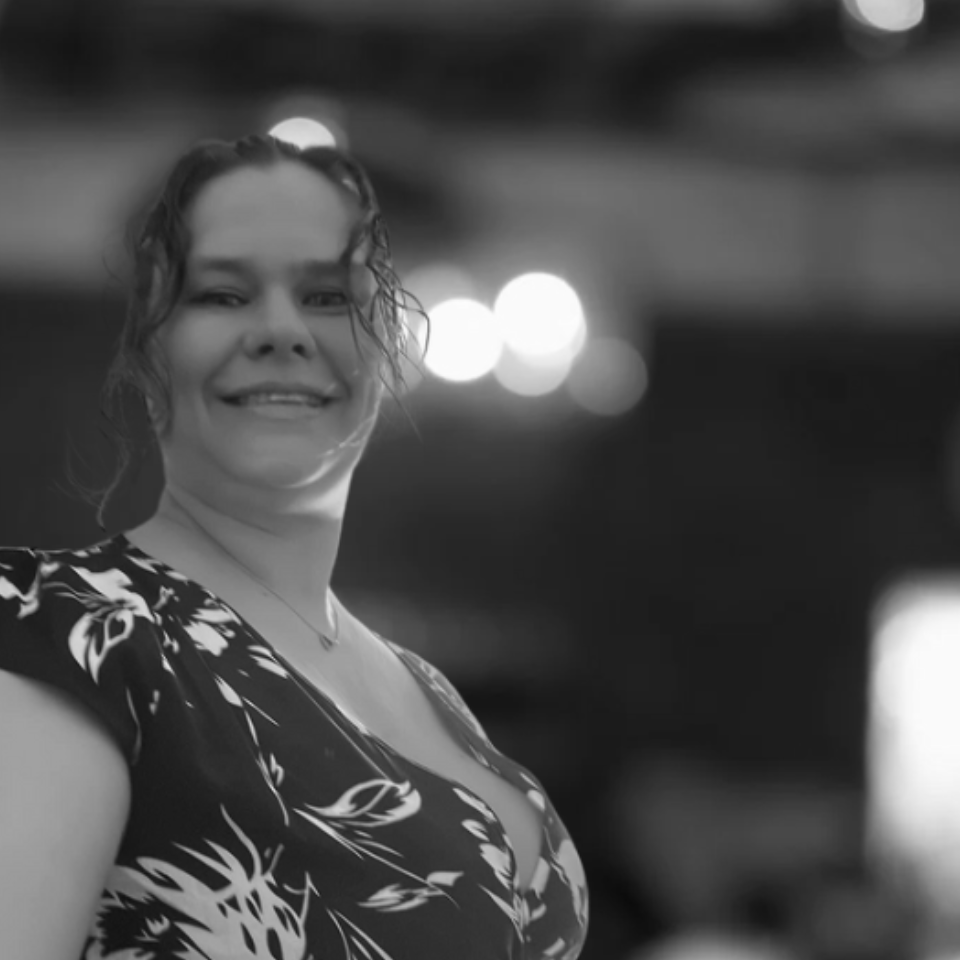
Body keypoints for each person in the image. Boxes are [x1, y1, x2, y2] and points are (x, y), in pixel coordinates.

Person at [0, 133, 589, 960]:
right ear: (149, 348)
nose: (280, 329)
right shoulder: (63, 633)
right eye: (223, 294)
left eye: (326, 296)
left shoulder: (426, 689)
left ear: (387, 345)